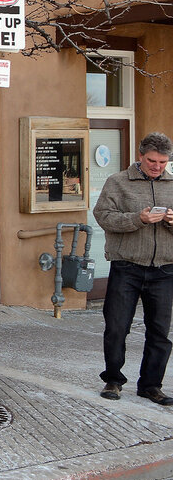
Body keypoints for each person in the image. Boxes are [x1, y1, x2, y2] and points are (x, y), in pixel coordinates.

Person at [92, 131, 173, 406]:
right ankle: (113, 380)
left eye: (163, 162)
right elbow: (103, 216)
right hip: (126, 267)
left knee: (160, 332)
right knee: (116, 327)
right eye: (152, 161)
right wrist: (138, 219)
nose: (158, 167)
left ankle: (151, 385)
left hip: (164, 269)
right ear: (141, 156)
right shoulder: (118, 182)